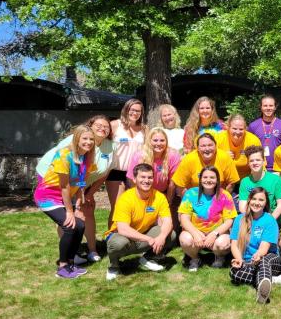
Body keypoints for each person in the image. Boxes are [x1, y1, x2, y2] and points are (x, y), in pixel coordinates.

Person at [35, 115, 114, 262]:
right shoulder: (70, 149)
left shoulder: (97, 152)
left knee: (82, 219)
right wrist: (70, 209)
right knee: (69, 221)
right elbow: (63, 178)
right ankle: (67, 259)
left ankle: (81, 254)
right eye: (98, 125)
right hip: (52, 185)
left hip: (74, 185)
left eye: (106, 126)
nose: (102, 128)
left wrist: (83, 195)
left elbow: (88, 177)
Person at [34, 125, 96, 278]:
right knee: (70, 226)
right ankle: (62, 267)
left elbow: (81, 181)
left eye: (91, 139)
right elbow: (64, 186)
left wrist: (80, 197)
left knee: (80, 226)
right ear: (76, 139)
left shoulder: (86, 158)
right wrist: (70, 210)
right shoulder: (64, 155)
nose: (88, 142)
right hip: (47, 196)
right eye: (85, 138)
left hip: (63, 197)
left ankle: (70, 262)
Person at [103, 163, 176, 281]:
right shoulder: (125, 198)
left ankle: (148, 258)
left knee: (170, 234)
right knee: (117, 244)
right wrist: (148, 239)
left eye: (150, 177)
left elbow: (168, 221)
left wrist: (161, 236)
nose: (146, 181)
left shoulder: (159, 197)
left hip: (144, 235)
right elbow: (123, 229)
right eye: (142, 177)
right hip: (123, 236)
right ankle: (114, 266)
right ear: (134, 179)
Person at [229, 187, 281, 304]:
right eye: (254, 199)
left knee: (263, 261)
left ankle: (262, 294)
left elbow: (265, 247)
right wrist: (239, 260)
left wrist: (258, 255)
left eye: (261, 200)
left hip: (270, 257)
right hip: (249, 262)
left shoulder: (269, 220)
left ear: (265, 203)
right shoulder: (239, 219)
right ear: (249, 200)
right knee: (233, 272)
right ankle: (269, 280)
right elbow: (234, 245)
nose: (257, 203)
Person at [179, 166, 237, 272]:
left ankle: (219, 257)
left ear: (217, 180)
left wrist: (214, 234)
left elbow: (229, 220)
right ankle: (195, 258)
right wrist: (195, 234)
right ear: (200, 179)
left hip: (217, 233)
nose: (208, 180)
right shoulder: (191, 193)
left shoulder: (224, 195)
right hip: (196, 233)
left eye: (212, 177)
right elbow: (184, 218)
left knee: (222, 244)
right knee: (185, 240)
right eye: (205, 177)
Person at [126, 127, 182, 232]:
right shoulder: (139, 155)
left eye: (162, 140)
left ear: (166, 142)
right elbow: (132, 179)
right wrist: (140, 199)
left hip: (163, 192)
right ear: (149, 141)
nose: (158, 143)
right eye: (155, 140)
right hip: (142, 191)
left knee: (168, 228)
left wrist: (168, 201)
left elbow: (172, 183)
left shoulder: (173, 155)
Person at [107, 98, 147, 226]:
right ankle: (111, 238)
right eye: (132, 110)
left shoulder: (144, 129)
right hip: (116, 172)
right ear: (126, 109)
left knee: (134, 206)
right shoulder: (115, 125)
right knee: (117, 207)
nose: (135, 113)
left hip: (135, 173)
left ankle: (131, 236)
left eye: (138, 111)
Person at [172, 133, 240, 193]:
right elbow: (180, 185)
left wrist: (221, 200)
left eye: (210, 145)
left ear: (216, 146)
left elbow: (232, 182)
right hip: (195, 196)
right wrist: (190, 200)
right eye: (203, 146)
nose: (207, 149)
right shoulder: (189, 159)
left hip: (218, 195)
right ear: (197, 148)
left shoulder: (224, 157)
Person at [238, 146, 281, 220]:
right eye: (251, 161)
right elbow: (242, 206)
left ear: (264, 161)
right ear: (248, 163)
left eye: (258, 160)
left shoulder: (275, 179)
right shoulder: (245, 181)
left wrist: (269, 221)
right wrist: (252, 220)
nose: (255, 163)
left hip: (273, 220)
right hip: (252, 220)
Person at [247, 94, 281, 171]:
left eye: (271, 106)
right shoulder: (253, 126)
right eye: (265, 106)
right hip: (259, 168)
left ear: (275, 107)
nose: (268, 108)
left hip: (278, 168)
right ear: (261, 107)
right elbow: (248, 148)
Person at [216, 114, 262, 178]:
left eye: (241, 129)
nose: (237, 132)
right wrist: (223, 157)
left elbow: (261, 162)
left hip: (247, 178)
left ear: (245, 129)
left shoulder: (253, 140)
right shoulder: (219, 138)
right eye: (234, 129)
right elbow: (210, 160)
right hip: (224, 178)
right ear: (228, 128)